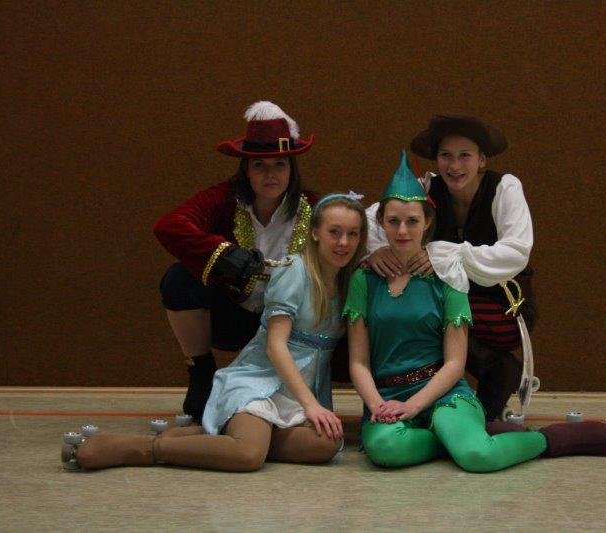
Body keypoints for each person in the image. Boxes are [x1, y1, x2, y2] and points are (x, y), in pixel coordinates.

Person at [345, 153, 606, 472]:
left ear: (427, 222)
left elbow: (455, 363)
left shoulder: (448, 274)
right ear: (381, 222)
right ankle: (457, 438)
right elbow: (358, 361)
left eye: (412, 221)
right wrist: (377, 405)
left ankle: (550, 439)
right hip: (386, 395)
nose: (402, 230)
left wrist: (413, 406)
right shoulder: (363, 279)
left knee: (477, 457)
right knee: (387, 449)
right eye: (393, 221)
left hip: (442, 393)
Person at [62, 194, 367, 471]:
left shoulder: (349, 282)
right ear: (314, 233)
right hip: (260, 383)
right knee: (248, 456)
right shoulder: (294, 270)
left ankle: (217, 436)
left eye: (352, 234)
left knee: (326, 444)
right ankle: (145, 448)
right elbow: (276, 346)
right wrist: (311, 405)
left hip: (297, 395)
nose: (343, 242)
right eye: (334, 232)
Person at [365, 115, 536, 424]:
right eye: (446, 155)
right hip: (447, 296)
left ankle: (490, 376)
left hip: (499, 305)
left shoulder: (504, 188)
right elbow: (371, 218)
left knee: (429, 317)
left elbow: (516, 251)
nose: (454, 165)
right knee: (415, 315)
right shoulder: (426, 188)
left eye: (464, 155)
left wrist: (448, 255)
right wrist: (377, 250)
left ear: (482, 160)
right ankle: (458, 396)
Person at [154, 101, 318, 423]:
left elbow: (353, 236)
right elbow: (168, 226)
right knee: (178, 279)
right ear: (245, 169)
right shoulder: (223, 199)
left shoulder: (313, 207)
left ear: (292, 169)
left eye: (280, 165)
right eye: (259, 165)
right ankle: (201, 373)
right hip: (233, 317)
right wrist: (225, 253)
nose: (270, 174)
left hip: (292, 325)